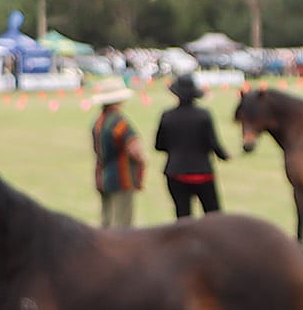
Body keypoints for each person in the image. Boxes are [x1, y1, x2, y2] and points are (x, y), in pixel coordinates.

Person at [153, 72, 230, 218]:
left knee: (183, 217)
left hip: (176, 172)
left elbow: (159, 145)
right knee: (213, 216)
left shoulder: (167, 116)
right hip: (202, 172)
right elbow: (213, 143)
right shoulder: (204, 115)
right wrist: (224, 155)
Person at [88, 78, 145, 228]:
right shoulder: (119, 123)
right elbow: (134, 148)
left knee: (106, 220)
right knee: (122, 222)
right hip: (121, 177)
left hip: (102, 174)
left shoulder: (98, 122)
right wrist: (142, 161)